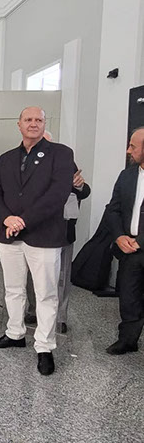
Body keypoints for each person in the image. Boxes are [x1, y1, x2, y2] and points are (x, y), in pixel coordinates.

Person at [0, 106, 74, 376]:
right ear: (19, 124)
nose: (33, 123)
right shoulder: (7, 158)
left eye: (38, 119)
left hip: (43, 235)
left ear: (44, 123)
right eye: (28, 119)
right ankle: (14, 333)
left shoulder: (61, 153)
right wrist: (6, 218)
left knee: (46, 293)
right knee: (13, 289)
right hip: (9, 234)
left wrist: (23, 220)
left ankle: (44, 346)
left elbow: (58, 194)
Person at [25, 131, 91, 334]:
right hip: (34, 228)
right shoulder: (24, 164)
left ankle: (60, 317)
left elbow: (84, 190)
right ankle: (33, 309)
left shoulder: (65, 161)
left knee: (61, 275)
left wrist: (79, 186)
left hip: (63, 229)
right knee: (32, 274)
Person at [104, 126, 144, 355]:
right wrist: (119, 236)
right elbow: (113, 209)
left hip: (140, 244)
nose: (128, 150)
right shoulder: (126, 175)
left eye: (133, 146)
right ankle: (128, 340)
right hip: (129, 248)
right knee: (129, 296)